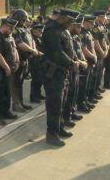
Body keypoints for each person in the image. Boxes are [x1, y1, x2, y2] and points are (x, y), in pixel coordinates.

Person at [41, 9, 80, 146]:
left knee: (62, 102)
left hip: (63, 71)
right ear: (62, 18)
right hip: (53, 73)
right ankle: (51, 134)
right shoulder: (51, 30)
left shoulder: (64, 29)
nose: (71, 24)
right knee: (54, 104)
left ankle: (59, 127)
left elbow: (70, 48)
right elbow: (57, 52)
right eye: (69, 21)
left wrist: (75, 60)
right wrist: (71, 63)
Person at [0, 18, 20, 125]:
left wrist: (17, 60)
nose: (12, 30)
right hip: (0, 70)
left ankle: (6, 112)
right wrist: (6, 67)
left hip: (9, 69)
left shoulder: (9, 35)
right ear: (5, 26)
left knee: (7, 92)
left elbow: (14, 48)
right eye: (11, 28)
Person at [11, 9, 40, 111]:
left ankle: (21, 103)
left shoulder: (24, 28)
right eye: (23, 20)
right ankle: (16, 105)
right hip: (18, 60)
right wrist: (32, 50)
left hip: (26, 59)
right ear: (18, 19)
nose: (25, 22)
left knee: (20, 82)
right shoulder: (14, 30)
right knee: (16, 84)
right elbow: (19, 44)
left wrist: (34, 49)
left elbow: (31, 40)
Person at [63, 16, 88, 128]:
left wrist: (84, 60)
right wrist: (79, 62)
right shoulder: (67, 37)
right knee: (69, 94)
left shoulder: (76, 37)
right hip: (71, 69)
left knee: (75, 92)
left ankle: (72, 112)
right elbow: (70, 55)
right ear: (72, 25)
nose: (80, 29)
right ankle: (66, 117)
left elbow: (80, 50)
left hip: (77, 68)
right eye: (78, 26)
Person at [77, 15, 98, 114]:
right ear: (85, 23)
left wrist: (94, 56)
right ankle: (80, 104)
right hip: (85, 62)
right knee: (83, 85)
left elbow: (92, 46)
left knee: (87, 83)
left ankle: (85, 101)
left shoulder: (88, 33)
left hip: (90, 62)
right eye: (92, 23)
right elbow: (83, 50)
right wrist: (93, 56)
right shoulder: (81, 33)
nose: (93, 25)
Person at [29, 24, 45, 103]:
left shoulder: (39, 37)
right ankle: (33, 96)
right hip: (34, 61)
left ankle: (38, 94)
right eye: (39, 31)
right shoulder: (32, 38)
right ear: (34, 31)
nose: (41, 32)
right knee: (36, 79)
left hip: (40, 60)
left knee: (40, 79)